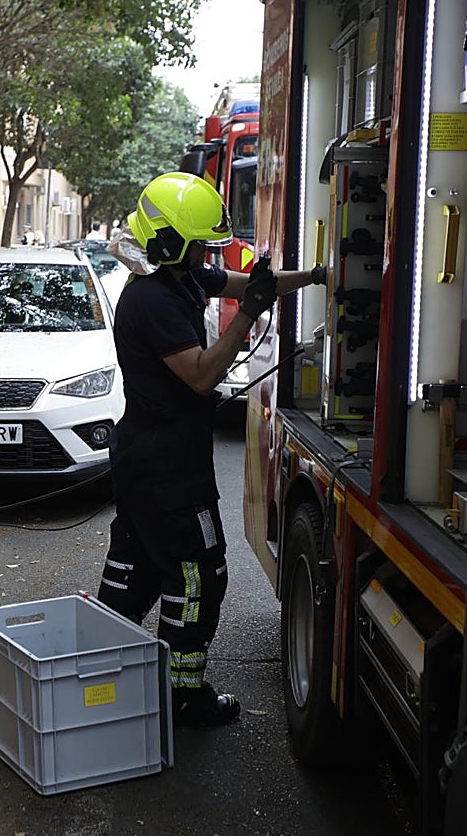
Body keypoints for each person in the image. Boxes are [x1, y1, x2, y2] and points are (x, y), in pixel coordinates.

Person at [97, 172, 325, 726]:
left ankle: (99, 672)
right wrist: (248, 317)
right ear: (170, 242)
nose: (207, 253)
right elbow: (200, 376)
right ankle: (183, 698)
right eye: (199, 244)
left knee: (137, 570)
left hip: (152, 461)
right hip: (167, 470)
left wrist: (317, 276)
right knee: (199, 577)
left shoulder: (180, 276)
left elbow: (249, 284)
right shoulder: (151, 299)